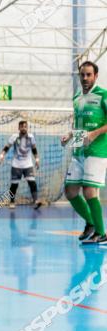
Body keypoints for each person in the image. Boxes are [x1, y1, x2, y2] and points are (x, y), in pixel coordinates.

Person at [61, 61, 107, 244]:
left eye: (89, 75)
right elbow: (78, 125)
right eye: (82, 75)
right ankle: (90, 223)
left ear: (95, 76)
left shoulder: (103, 95)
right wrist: (69, 135)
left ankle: (102, 233)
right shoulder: (77, 98)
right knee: (70, 191)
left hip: (97, 151)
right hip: (79, 151)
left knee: (89, 191)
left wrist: (95, 134)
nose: (85, 78)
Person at [0, 120, 41, 209]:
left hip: (28, 164)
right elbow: (7, 147)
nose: (23, 128)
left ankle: (35, 201)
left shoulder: (31, 137)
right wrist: (1, 155)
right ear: (19, 128)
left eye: (25, 126)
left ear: (27, 127)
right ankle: (12, 202)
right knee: (14, 185)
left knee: (32, 182)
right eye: (22, 126)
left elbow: (34, 148)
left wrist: (37, 159)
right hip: (16, 164)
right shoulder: (14, 137)